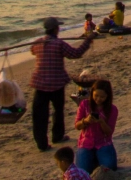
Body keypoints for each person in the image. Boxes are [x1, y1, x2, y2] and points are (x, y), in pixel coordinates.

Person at [30, 17, 94, 152]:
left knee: (39, 115)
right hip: (56, 83)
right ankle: (57, 136)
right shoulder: (59, 44)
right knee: (57, 111)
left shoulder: (38, 43)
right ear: (55, 29)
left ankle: (42, 144)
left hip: (40, 83)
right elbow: (75, 54)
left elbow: (32, 50)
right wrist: (87, 41)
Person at [73, 79, 118, 173]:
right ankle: (93, 159)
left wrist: (102, 122)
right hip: (86, 142)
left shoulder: (112, 109)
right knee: (82, 171)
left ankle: (98, 158)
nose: (98, 99)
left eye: (102, 97)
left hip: (103, 143)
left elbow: (109, 132)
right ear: (92, 93)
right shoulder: (84, 105)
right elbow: (77, 126)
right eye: (96, 95)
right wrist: (85, 121)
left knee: (109, 168)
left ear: (107, 96)